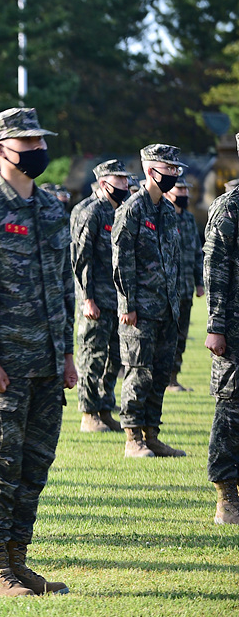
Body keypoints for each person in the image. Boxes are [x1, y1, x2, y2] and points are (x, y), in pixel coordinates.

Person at [0, 107, 74, 597]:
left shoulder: (50, 208)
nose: (36, 152)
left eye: (38, 142)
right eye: (26, 144)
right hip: (5, 364)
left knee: (34, 466)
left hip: (47, 362)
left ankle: (17, 559)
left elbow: (64, 286)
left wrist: (66, 355)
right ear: (1, 150)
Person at [112, 144, 187, 459]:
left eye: (175, 169)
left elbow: (174, 260)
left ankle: (152, 434)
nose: (174, 174)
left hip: (167, 308)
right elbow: (121, 261)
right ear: (150, 170)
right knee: (138, 371)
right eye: (168, 169)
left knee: (159, 374)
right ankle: (132, 438)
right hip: (139, 310)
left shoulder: (168, 211)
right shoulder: (131, 209)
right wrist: (127, 303)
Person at [71, 159, 132, 433]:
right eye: (120, 181)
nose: (126, 185)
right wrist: (87, 299)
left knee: (114, 358)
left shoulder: (121, 212)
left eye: (126, 180)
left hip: (118, 300)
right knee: (92, 355)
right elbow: (81, 258)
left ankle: (105, 409)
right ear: (105, 183)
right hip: (96, 299)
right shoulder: (92, 212)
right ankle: (88, 414)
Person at [203, 145, 239, 525]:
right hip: (233, 325)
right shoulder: (230, 207)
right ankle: (226, 496)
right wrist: (216, 325)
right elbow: (215, 268)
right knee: (232, 408)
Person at [165, 177, 204, 392]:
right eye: (180, 189)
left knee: (181, 336)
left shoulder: (189, 219)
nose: (184, 194)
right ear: (168, 192)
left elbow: (197, 253)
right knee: (167, 336)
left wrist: (199, 283)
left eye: (186, 190)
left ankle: (173, 377)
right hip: (168, 290)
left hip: (187, 288)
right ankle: (162, 379)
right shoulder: (163, 216)